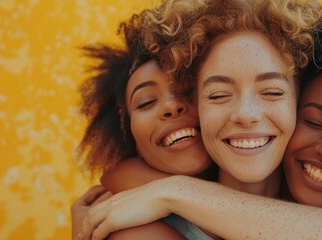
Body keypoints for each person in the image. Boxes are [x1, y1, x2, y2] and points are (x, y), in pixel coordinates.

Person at [81, 1, 322, 239]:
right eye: (218, 95)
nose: (246, 114)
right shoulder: (140, 219)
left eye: (272, 92)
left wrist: (174, 192)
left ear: (298, 99)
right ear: (196, 106)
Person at [71, 11, 216, 239]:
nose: (171, 105)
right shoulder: (124, 223)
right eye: (146, 102)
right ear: (132, 140)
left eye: (186, 89)